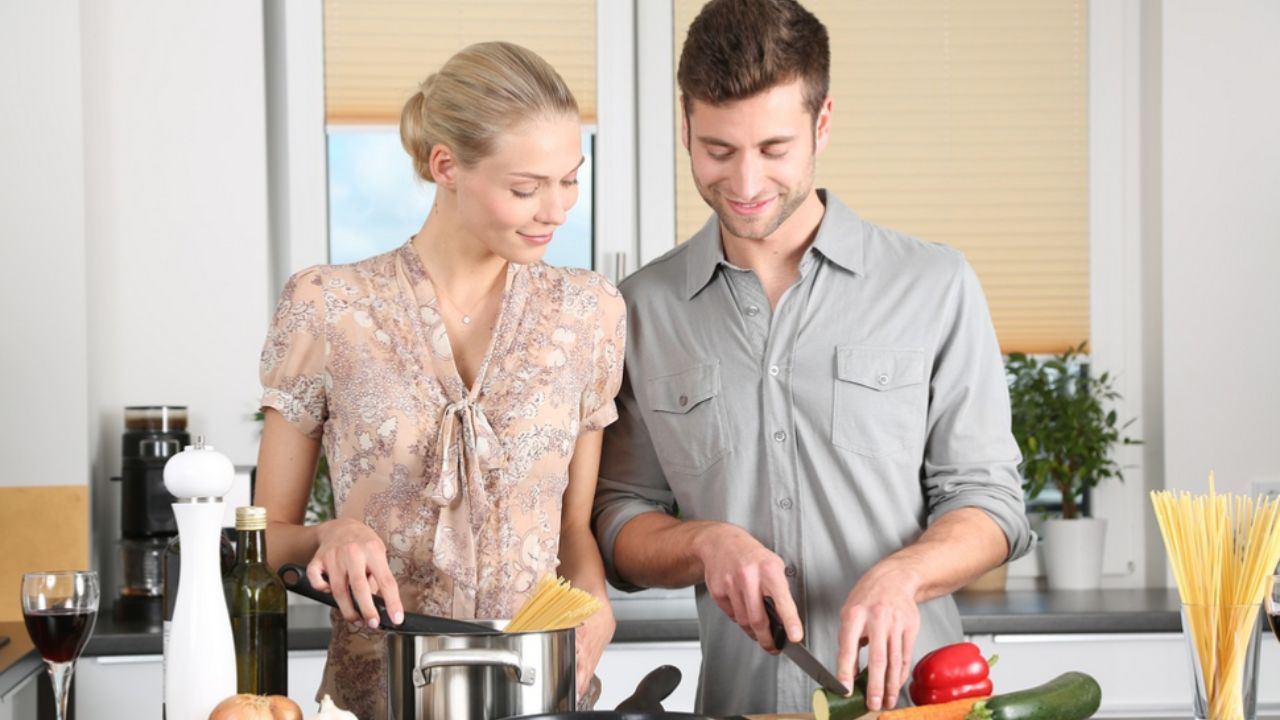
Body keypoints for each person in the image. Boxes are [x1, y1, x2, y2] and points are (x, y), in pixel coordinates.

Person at [592, 0, 1033, 715]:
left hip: (920, 703)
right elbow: (619, 518)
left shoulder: (932, 284)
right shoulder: (641, 309)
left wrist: (907, 575)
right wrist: (705, 543)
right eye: (717, 150)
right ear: (684, 125)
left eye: (773, 150)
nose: (744, 183)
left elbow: (990, 503)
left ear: (823, 123)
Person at [255, 41, 625, 719]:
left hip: (542, 695)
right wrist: (328, 535)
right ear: (446, 166)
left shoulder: (590, 313)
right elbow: (265, 537)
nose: (557, 209)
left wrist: (595, 605)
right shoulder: (328, 308)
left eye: (571, 178)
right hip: (379, 699)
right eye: (526, 187)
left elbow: (575, 529)